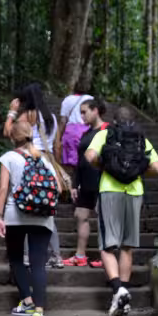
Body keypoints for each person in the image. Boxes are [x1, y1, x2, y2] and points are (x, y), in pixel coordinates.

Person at [85, 106, 158, 316]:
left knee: (107, 245)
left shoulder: (105, 134)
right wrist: (135, 171)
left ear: (114, 121)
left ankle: (118, 288)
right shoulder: (140, 139)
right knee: (127, 246)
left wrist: (107, 167)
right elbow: (157, 167)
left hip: (110, 190)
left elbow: (89, 156)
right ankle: (124, 293)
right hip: (134, 192)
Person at [0, 121, 61, 316]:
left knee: (15, 258)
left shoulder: (9, 157)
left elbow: (3, 188)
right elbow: (58, 188)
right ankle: (39, 311)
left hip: (16, 214)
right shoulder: (43, 158)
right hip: (42, 217)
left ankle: (27, 301)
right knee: (38, 263)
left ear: (13, 138)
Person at [4, 83, 64, 269]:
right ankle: (56, 255)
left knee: (26, 205)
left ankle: (26, 255)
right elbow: (57, 145)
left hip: (28, 159)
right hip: (47, 161)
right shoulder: (52, 118)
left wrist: (11, 113)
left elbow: (8, 132)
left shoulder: (27, 115)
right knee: (46, 209)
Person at [63, 98, 108, 268]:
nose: (82, 116)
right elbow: (80, 161)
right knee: (80, 215)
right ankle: (80, 255)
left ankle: (107, 256)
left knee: (104, 218)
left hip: (103, 182)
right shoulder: (86, 133)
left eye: (84, 112)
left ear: (95, 110)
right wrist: (75, 184)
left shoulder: (108, 130)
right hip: (86, 182)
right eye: (80, 112)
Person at [58, 89, 93, 167]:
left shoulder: (67, 99)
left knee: (68, 164)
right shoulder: (90, 99)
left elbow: (63, 121)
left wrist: (58, 138)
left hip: (70, 133)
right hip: (85, 132)